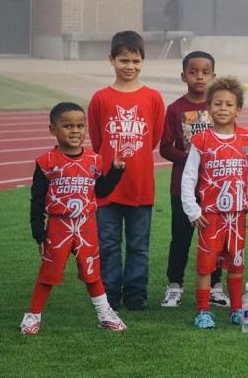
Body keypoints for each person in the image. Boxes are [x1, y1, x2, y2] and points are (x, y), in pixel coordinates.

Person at [20, 102, 127, 335]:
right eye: (67, 126)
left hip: (86, 225)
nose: (75, 131)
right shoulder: (46, 162)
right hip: (58, 226)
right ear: (53, 129)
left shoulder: (95, 160)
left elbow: (100, 192)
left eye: (80, 125)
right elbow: (37, 201)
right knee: (49, 273)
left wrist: (116, 171)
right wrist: (38, 231)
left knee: (92, 273)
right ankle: (33, 315)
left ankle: (104, 314)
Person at [88, 31, 165, 310]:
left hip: (141, 185)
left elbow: (153, 138)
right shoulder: (100, 98)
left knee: (138, 246)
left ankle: (135, 295)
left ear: (143, 61)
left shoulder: (153, 98)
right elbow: (98, 142)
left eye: (135, 60)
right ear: (111, 60)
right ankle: (108, 294)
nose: (129, 66)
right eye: (123, 60)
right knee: (107, 245)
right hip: (108, 186)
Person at [181, 77, 248, 328]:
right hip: (211, 216)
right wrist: (192, 209)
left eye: (229, 104)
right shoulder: (202, 140)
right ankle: (203, 310)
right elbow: (189, 178)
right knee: (205, 267)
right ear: (209, 107)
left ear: (238, 109)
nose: (223, 108)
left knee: (237, 265)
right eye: (217, 103)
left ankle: (236, 309)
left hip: (236, 216)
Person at [159, 51, 229, 309]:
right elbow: (165, 147)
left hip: (215, 187)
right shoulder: (175, 109)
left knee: (216, 239)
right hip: (183, 187)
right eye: (193, 71)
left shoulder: (220, 106)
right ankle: (174, 286)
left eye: (205, 72)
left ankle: (215, 286)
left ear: (214, 76)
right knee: (181, 238)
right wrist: (190, 158)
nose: (199, 76)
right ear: (183, 76)